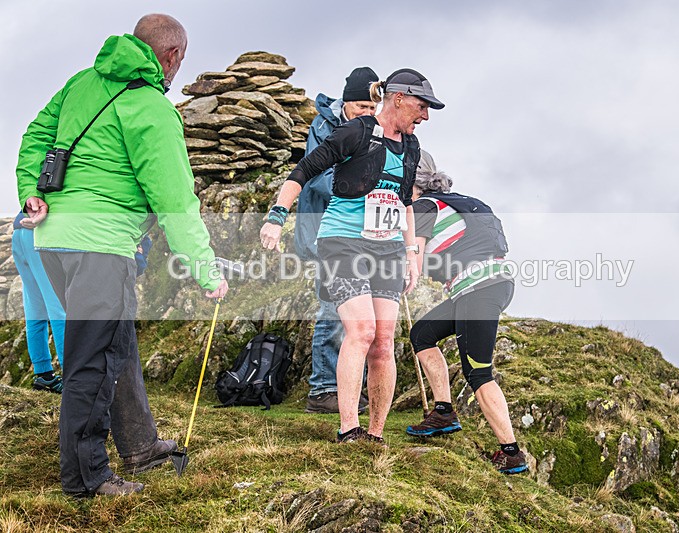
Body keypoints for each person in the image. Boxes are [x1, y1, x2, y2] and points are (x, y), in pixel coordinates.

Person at [16, 13, 228, 497]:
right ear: (171, 56)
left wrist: (32, 190)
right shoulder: (152, 108)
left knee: (116, 343)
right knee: (91, 363)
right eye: (181, 60)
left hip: (54, 242)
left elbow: (33, 137)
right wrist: (206, 268)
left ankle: (140, 446)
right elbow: (175, 202)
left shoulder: (82, 83)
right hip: (101, 247)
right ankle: (86, 481)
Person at [261, 69, 444, 443]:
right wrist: (276, 218)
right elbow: (303, 171)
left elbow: (405, 202)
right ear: (398, 99)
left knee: (384, 340)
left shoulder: (412, 148)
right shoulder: (356, 131)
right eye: (421, 106)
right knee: (361, 331)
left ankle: (375, 433)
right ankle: (349, 428)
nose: (424, 116)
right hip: (342, 241)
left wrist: (411, 252)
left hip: (388, 246)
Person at [406, 151, 528, 475]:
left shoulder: (422, 207)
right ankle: (444, 411)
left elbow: (413, 262)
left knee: (478, 373)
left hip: (478, 289)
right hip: (486, 284)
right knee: (422, 334)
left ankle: (511, 453)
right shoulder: (461, 202)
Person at [296, 67, 379, 414]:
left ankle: (347, 387)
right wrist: (363, 191)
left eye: (373, 109)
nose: (368, 115)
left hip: (361, 236)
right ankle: (323, 389)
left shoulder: (375, 131)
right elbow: (316, 177)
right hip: (326, 231)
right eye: (362, 107)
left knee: (358, 312)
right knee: (332, 307)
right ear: (346, 103)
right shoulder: (324, 128)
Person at [11, 211, 66, 393]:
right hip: (37, 232)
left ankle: (44, 376)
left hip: (19, 233)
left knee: (35, 308)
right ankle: (73, 375)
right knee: (58, 306)